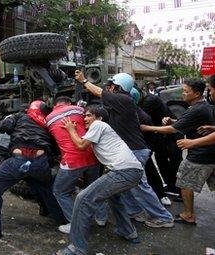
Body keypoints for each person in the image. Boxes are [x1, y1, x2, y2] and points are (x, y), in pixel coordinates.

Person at [75, 70, 174, 228]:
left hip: (135, 151)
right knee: (126, 187)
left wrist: (83, 81)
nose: (108, 88)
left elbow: (99, 92)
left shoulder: (123, 99)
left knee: (140, 187)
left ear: (118, 87)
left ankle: (163, 217)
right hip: (132, 151)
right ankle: (136, 212)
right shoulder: (120, 104)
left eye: (111, 85)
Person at [0, 100, 65, 238]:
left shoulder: (19, 117)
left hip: (18, 160)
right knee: (44, 186)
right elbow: (55, 149)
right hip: (40, 163)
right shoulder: (47, 125)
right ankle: (61, 219)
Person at [54, 105, 143, 255]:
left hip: (124, 171)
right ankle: (128, 232)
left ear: (99, 117)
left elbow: (81, 145)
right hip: (132, 171)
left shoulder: (99, 125)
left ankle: (77, 248)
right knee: (114, 198)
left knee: (83, 199)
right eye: (85, 116)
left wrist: (70, 129)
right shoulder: (101, 129)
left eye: (89, 115)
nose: (85, 118)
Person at [141, 79, 215, 225]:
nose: (183, 94)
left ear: (197, 94)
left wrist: (148, 128)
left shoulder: (197, 108)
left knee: (185, 183)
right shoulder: (199, 106)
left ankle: (188, 214)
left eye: (186, 91)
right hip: (206, 153)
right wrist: (173, 120)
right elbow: (183, 123)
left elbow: (173, 130)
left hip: (200, 154)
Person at [45, 96, 102, 234]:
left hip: (72, 160)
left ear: (54, 105)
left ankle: (75, 224)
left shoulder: (48, 118)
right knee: (94, 189)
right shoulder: (79, 109)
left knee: (60, 191)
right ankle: (101, 218)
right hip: (93, 155)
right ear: (68, 103)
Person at [130, 88, 172, 206]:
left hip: (145, 144)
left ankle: (160, 195)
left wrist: (147, 150)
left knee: (149, 169)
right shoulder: (131, 111)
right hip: (137, 145)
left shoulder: (141, 113)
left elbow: (149, 136)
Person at [139, 87, 183, 200]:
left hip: (171, 135)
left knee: (175, 163)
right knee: (161, 161)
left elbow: (138, 117)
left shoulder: (150, 101)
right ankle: (171, 187)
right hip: (160, 135)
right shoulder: (146, 99)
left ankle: (181, 191)